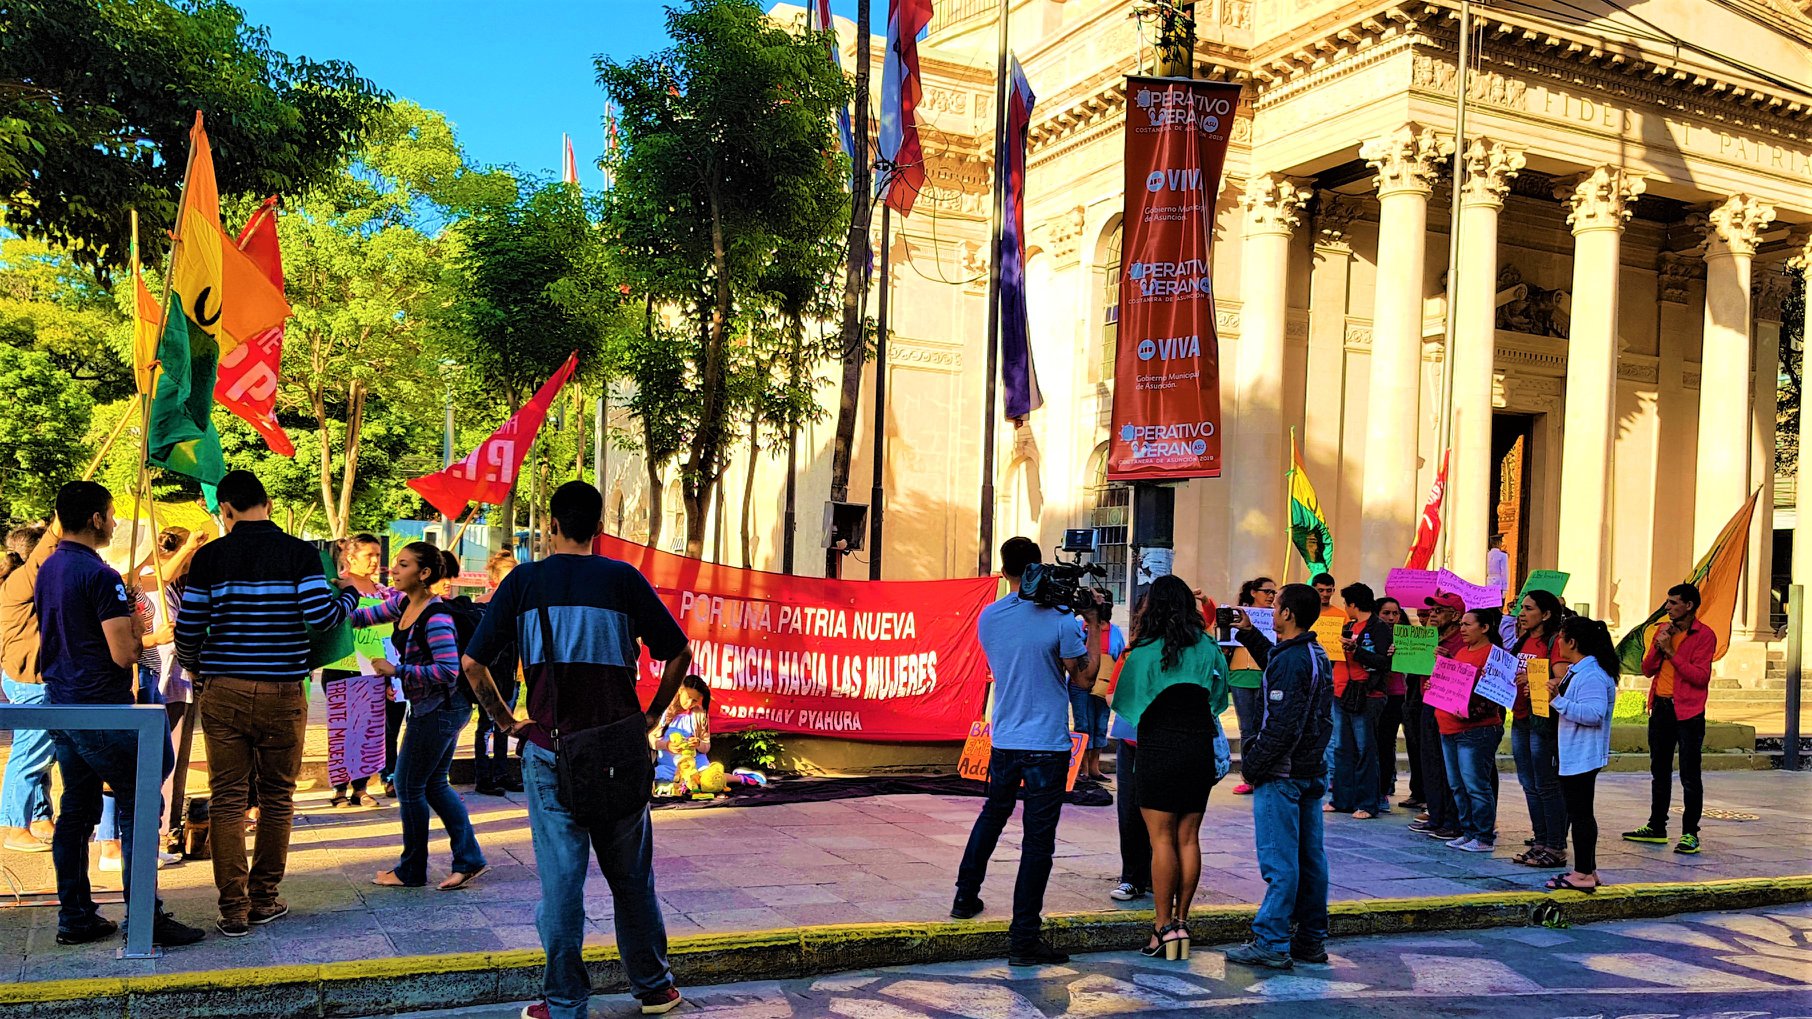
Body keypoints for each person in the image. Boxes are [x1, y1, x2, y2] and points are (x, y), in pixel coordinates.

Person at [462, 481, 693, 1019]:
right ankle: (655, 987)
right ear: (598, 526)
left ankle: (565, 1001)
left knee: (563, 883)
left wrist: (506, 722)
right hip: (619, 746)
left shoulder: (523, 582)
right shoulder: (623, 580)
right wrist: (652, 716)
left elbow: (473, 664)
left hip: (551, 750)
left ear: (552, 526)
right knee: (632, 878)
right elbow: (679, 653)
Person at [176, 470, 361, 938]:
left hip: (224, 689)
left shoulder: (210, 557)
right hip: (283, 691)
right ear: (270, 505)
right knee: (278, 797)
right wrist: (351, 593)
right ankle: (264, 899)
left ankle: (232, 909)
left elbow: (189, 627)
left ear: (227, 511)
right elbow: (322, 617)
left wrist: (196, 667)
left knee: (227, 797)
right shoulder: (301, 554)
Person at [37, 481, 203, 947]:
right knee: (141, 796)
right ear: (95, 518)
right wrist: (137, 620)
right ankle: (144, 916)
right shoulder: (100, 574)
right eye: (111, 516)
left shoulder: (50, 566)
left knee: (77, 809)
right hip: (102, 705)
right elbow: (123, 654)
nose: (114, 524)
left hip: (64, 703)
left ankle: (75, 915)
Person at [952, 536, 1101, 968]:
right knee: (1038, 841)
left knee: (993, 815)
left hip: (1005, 740)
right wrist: (1089, 620)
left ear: (1004, 572)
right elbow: (1085, 681)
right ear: (1041, 567)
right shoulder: (1061, 620)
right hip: (1047, 746)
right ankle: (1024, 938)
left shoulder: (989, 617)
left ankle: (965, 897)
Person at [1108, 575, 1229, 961]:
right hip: (1197, 747)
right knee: (1189, 838)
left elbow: (1125, 703)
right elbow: (1219, 699)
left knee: (1161, 839)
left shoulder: (1143, 651)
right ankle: (1182, 922)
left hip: (1158, 747)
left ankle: (1161, 928)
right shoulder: (1209, 647)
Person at [353, 542, 487, 890]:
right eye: (395, 564)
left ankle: (412, 869)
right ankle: (469, 858)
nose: (393, 570)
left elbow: (448, 670)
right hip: (433, 707)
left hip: (441, 709)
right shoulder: (403, 603)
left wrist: (396, 670)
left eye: (403, 565)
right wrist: (334, 606)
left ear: (423, 573)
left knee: (407, 784)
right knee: (434, 784)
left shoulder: (436, 616)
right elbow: (364, 617)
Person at [1223, 582, 1333, 971]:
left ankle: (1271, 940)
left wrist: (1253, 766)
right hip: (1309, 771)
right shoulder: (1312, 652)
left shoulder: (1293, 659)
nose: (1273, 611)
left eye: (1277, 606)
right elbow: (1279, 666)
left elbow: (1282, 723)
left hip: (1283, 773)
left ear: (1287, 614)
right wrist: (1249, 633)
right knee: (1310, 860)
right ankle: (1310, 939)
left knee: (1280, 861)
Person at [1625, 583, 1716, 855]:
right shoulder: (1663, 632)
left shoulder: (1704, 635)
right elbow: (1647, 669)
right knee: (1659, 770)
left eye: (1673, 602)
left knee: (1689, 774)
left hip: (1688, 711)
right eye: (1668, 602)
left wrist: (1673, 653)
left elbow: (1700, 677)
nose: (1667, 607)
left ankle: (1690, 833)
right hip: (1662, 708)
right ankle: (1656, 826)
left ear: (1688, 605)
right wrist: (1659, 645)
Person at [1545, 616, 1619, 893]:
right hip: (1573, 751)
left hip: (1583, 754)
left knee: (1581, 815)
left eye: (1562, 637)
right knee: (1581, 814)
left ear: (1572, 642)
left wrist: (1557, 701)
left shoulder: (1592, 675)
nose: (1559, 643)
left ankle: (1583, 873)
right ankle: (1589, 869)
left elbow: (1593, 713)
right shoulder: (1582, 670)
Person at [0, 522, 57, 853]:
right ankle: (14, 825)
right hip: (29, 678)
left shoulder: (17, 583)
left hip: (26, 675)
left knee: (41, 750)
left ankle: (37, 815)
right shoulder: (21, 583)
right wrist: (58, 524)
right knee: (30, 751)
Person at [324, 534, 390, 808]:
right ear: (350, 558)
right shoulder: (336, 587)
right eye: (368, 555)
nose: (375, 561)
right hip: (342, 667)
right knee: (341, 729)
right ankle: (339, 789)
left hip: (374, 671)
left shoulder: (384, 592)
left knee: (368, 730)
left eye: (378, 555)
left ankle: (361, 787)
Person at [1439, 608, 1507, 853]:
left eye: (1468, 625)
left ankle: (1484, 836)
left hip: (1476, 730)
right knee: (1457, 784)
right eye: (1462, 625)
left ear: (1485, 627)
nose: (1462, 629)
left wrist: (1469, 709)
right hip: (1449, 726)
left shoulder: (1494, 655)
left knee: (1476, 785)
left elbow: (1494, 695)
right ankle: (1468, 831)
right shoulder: (1460, 652)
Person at [1509, 590, 1568, 869]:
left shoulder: (1555, 642)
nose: (1521, 612)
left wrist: (1533, 679)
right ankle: (1541, 841)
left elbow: (1562, 679)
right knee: (1529, 783)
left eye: (1528, 608)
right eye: (1521, 607)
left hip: (1542, 720)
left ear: (1545, 614)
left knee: (1546, 784)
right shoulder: (1523, 640)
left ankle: (1555, 847)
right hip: (1521, 717)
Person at [1329, 583, 1391, 818]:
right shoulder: (1349, 625)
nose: (1346, 608)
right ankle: (1342, 799)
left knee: (1365, 749)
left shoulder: (1379, 628)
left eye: (1346, 604)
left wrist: (1356, 651)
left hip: (1366, 693)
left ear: (1353, 604)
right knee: (1342, 748)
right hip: (1342, 691)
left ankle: (1367, 803)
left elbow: (1383, 662)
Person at [1406, 594, 1465, 841]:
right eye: (1432, 610)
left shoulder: (1460, 641)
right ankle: (1436, 815)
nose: (1432, 615)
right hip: (1427, 701)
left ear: (1455, 616)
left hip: (1448, 705)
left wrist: (1449, 660)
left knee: (1446, 766)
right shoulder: (1431, 637)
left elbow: (1467, 674)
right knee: (1430, 762)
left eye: (1440, 611)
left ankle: (1452, 820)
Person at [473, 550, 521, 796]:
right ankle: (483, 776)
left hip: (510, 674)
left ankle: (502, 773)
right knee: (485, 725)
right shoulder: (483, 604)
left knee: (507, 724)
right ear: (495, 580)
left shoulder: (518, 606)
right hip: (487, 674)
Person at [1227, 577, 1277, 796]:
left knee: (1266, 727)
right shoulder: (1238, 614)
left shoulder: (1277, 615)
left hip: (1265, 674)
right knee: (1247, 728)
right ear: (1253, 592)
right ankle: (1248, 776)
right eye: (1266, 591)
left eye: (1273, 593)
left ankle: (1265, 773)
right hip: (1239, 674)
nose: (1270, 596)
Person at [1373, 597, 1410, 810]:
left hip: (1397, 694)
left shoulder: (1407, 637)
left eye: (1395, 613)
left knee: (1386, 744)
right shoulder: (1370, 634)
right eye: (1386, 613)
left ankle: (1383, 791)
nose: (1391, 617)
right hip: (1374, 693)